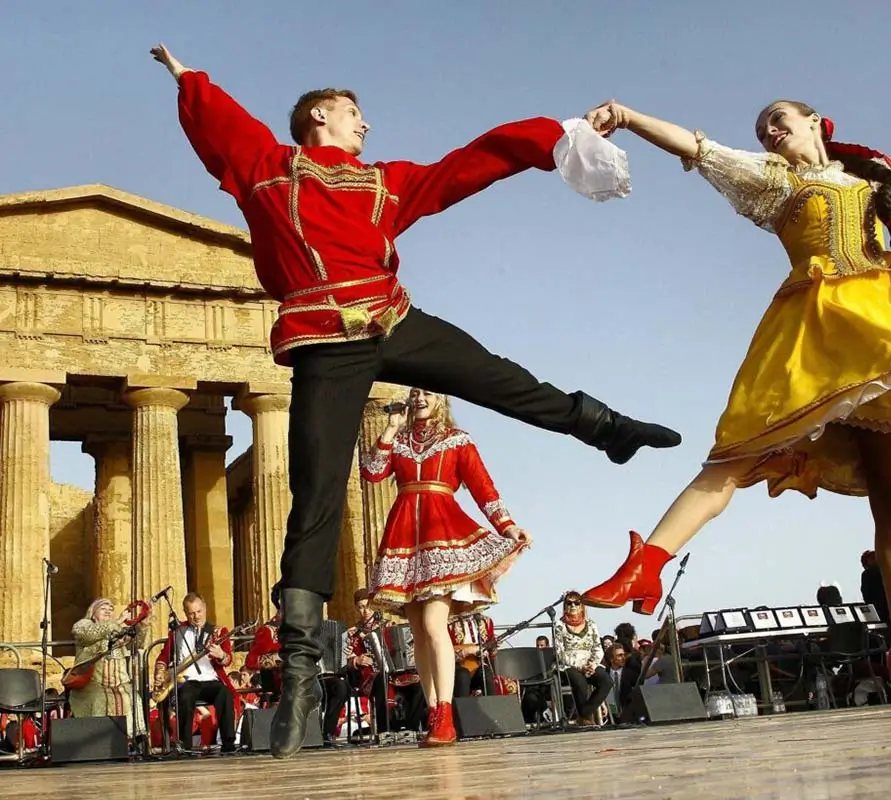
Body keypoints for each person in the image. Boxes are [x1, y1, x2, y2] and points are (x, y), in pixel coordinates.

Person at [149, 43, 681, 759]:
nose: (366, 127)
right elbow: (220, 122)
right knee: (313, 503)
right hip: (327, 341)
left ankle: (605, 427)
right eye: (355, 115)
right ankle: (301, 675)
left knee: (499, 378)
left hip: (395, 319)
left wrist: (555, 136)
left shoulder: (385, 183)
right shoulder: (268, 168)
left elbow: (467, 165)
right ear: (319, 117)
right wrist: (189, 78)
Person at [580, 98, 891, 715]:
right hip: (816, 334)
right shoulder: (774, 182)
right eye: (763, 128)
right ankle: (649, 561)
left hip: (886, 333)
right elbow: (698, 149)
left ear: (815, 121)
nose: (770, 130)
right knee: (740, 451)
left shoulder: (869, 177)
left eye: (779, 119)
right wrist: (632, 118)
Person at [361, 388, 529, 745]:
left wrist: (507, 526)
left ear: (441, 400)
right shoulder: (401, 440)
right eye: (415, 392)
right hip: (404, 534)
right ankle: (433, 708)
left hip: (443, 532)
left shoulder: (457, 440)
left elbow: (483, 487)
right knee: (418, 631)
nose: (420, 398)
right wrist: (390, 429)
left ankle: (446, 715)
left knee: (436, 624)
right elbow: (372, 473)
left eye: (428, 393)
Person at [154, 593, 237, 752]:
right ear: (185, 613)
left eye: (199, 611)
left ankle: (229, 744)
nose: (196, 616)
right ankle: (186, 746)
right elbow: (164, 656)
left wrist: (221, 655)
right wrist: (160, 673)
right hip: (186, 680)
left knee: (225, 693)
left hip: (211, 680)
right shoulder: (178, 632)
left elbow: (228, 660)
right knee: (186, 696)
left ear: (205, 609)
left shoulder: (218, 632)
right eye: (192, 613)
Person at [68, 598, 152, 738]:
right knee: (98, 698)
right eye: (103, 609)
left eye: (110, 610)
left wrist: (143, 625)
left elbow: (138, 645)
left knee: (131, 697)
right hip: (92, 682)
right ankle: (96, 740)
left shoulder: (119, 629)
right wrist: (117, 622)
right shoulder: (83, 625)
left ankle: (127, 741)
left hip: (119, 683)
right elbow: (87, 635)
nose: (108, 612)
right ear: (93, 613)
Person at [552, 591, 611, 725]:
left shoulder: (591, 624)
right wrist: (580, 666)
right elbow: (560, 653)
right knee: (580, 682)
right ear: (564, 606)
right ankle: (586, 718)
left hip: (590, 663)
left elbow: (597, 647)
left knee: (606, 681)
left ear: (582, 605)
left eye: (577, 602)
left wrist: (592, 664)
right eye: (569, 603)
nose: (573, 606)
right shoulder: (559, 626)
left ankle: (584, 714)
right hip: (568, 665)